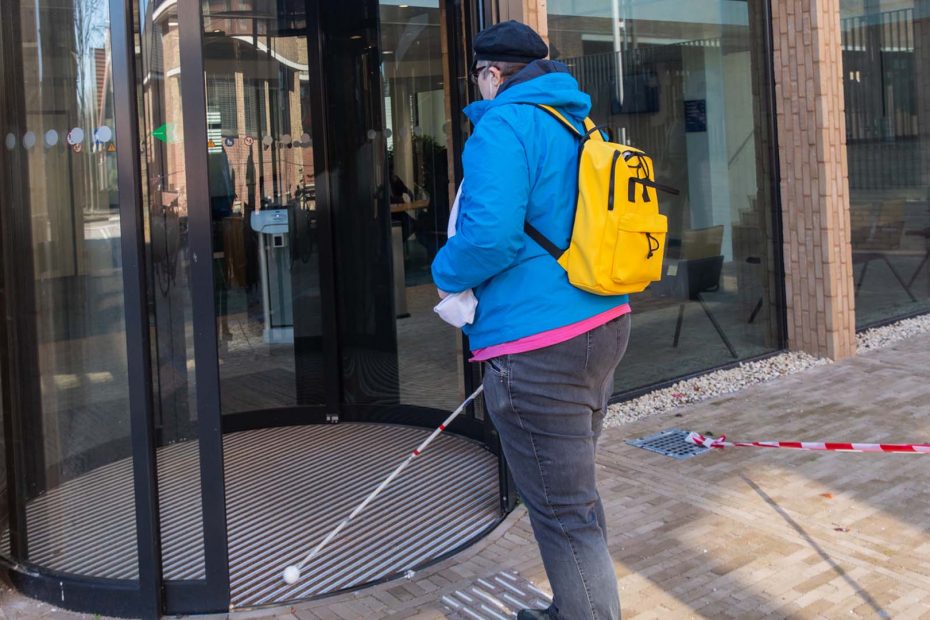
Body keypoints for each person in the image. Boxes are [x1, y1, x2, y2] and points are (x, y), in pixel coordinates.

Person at [430, 20, 631, 620]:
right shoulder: (579, 122)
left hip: (537, 345)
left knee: (564, 511)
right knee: (573, 498)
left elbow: (487, 239)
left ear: (491, 73)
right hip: (603, 323)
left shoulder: (502, 128)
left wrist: (440, 269)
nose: (479, 85)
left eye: (478, 75)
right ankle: (575, 606)